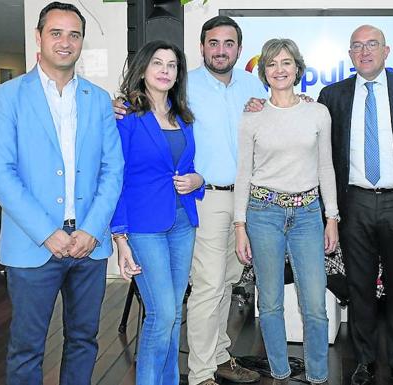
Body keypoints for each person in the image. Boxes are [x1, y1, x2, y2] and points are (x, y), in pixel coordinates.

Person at [114, 16, 265, 385]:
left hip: (240, 201)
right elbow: (122, 161)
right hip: (205, 202)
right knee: (205, 288)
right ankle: (200, 373)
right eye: (213, 43)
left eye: (228, 43)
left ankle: (218, 355)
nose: (220, 50)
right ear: (202, 48)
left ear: (239, 49)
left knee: (226, 283)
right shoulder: (186, 87)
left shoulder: (250, 86)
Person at [0, 2, 124, 384]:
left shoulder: (98, 99)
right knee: (26, 349)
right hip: (32, 245)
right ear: (39, 37)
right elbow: (2, 173)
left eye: (74, 34)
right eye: (56, 32)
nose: (65, 42)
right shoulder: (7, 97)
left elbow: (111, 169)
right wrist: (47, 232)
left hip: (89, 244)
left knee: (84, 341)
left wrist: (91, 230)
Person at [317, 25, 393, 385]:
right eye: (357, 46)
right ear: (350, 54)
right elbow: (321, 149)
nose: (364, 51)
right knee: (359, 288)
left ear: (387, 51)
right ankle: (365, 361)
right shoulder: (333, 94)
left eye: (372, 44)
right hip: (353, 203)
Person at [234, 38, 339, 384]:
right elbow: (243, 174)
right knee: (272, 303)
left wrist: (332, 217)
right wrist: (239, 225)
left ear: (298, 68)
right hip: (263, 213)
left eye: (286, 62)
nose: (279, 70)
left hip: (308, 214)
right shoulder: (252, 116)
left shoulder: (317, 112)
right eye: (272, 64)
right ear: (264, 72)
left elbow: (326, 168)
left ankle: (319, 376)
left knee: (315, 306)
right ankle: (279, 372)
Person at [110, 40, 204, 384]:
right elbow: (113, 177)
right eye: (158, 63)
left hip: (182, 222)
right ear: (143, 70)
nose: (165, 71)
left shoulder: (184, 117)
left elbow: (189, 166)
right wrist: (119, 236)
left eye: (172, 65)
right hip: (143, 226)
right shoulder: (126, 117)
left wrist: (199, 179)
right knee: (161, 313)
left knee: (173, 314)